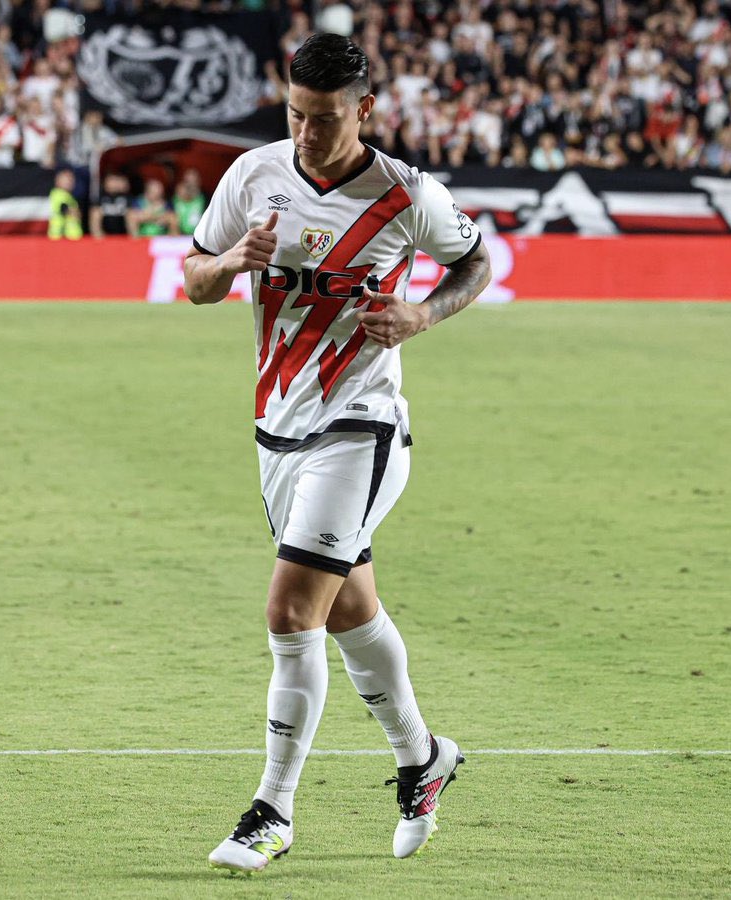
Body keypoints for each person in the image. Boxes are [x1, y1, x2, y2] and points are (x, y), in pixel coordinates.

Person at [184, 33, 490, 875]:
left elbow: (475, 262)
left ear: (363, 109)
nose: (306, 134)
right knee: (350, 607)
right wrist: (229, 263)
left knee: (291, 610)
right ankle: (422, 756)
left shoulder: (404, 194)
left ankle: (271, 810)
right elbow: (193, 277)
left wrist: (422, 315)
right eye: (294, 115)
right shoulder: (253, 174)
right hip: (277, 428)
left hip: (362, 424)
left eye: (323, 120)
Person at [89, 172, 130, 238]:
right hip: (105, 229)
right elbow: (95, 210)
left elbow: (132, 211)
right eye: (111, 180)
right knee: (95, 213)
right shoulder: (100, 197)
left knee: (131, 213)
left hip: (122, 228)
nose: (114, 183)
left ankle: (133, 239)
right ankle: (99, 239)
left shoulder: (126, 197)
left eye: (116, 180)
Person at [47, 167, 82, 239]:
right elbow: (63, 207)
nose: (70, 182)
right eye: (66, 179)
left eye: (71, 179)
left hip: (72, 239)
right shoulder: (57, 194)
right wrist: (74, 211)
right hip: (61, 238)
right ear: (57, 181)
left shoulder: (70, 197)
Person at [172, 168, 205, 236]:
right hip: (180, 236)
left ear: (198, 181)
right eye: (188, 182)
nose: (190, 185)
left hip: (200, 235)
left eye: (193, 181)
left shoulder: (205, 198)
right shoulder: (176, 200)